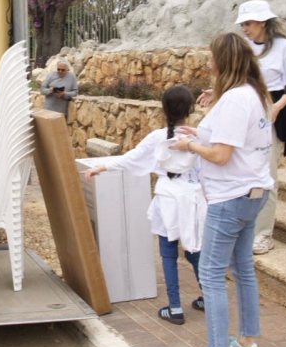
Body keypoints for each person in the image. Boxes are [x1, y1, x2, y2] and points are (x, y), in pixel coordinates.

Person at [174, 32, 274, 347]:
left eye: (212, 57)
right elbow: (234, 142)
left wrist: (190, 147)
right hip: (253, 194)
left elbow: (220, 155)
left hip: (230, 197)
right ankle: (246, 342)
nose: (209, 63)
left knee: (211, 274)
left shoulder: (234, 100)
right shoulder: (254, 94)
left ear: (223, 61)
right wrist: (200, 135)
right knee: (243, 268)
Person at [82, 86, 205, 325]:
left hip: (168, 198)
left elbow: (132, 158)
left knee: (168, 254)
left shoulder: (158, 137)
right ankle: (208, 297)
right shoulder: (197, 138)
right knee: (195, 250)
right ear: (190, 109)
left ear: (164, 109)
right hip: (192, 199)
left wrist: (102, 167)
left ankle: (175, 307)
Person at [227, 0, 286, 255]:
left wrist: (277, 107)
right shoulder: (245, 48)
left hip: (272, 113)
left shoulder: (283, 47)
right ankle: (246, 228)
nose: (245, 28)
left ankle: (263, 233)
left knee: (266, 174)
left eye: (248, 23)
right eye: (243, 24)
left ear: (262, 22)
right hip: (248, 110)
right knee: (244, 171)